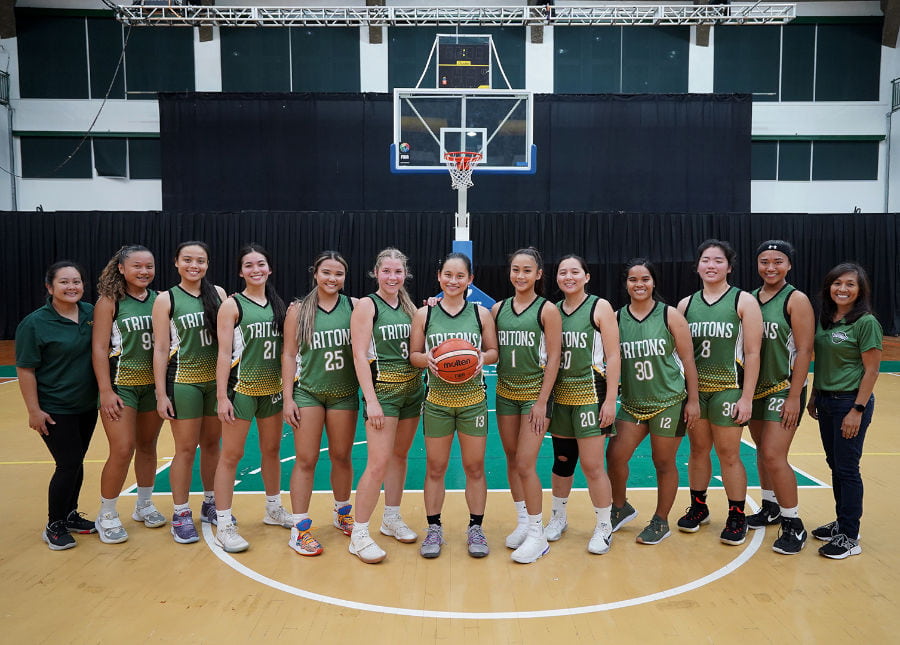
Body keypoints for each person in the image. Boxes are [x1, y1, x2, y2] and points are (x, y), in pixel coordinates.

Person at [410, 253, 499, 559]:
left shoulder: (481, 314)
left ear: (470, 280)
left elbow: (493, 351)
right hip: (437, 402)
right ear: (439, 276)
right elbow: (414, 356)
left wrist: (480, 358)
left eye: (460, 276)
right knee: (436, 467)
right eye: (448, 275)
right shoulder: (425, 315)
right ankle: (434, 528)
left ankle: (476, 528)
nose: (453, 281)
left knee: (474, 467)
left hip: (473, 402)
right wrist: (429, 360)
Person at [606, 259, 700, 545]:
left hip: (668, 400)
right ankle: (620, 507)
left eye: (644, 279)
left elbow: (688, 360)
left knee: (663, 461)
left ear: (653, 282)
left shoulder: (669, 315)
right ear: (626, 284)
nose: (639, 284)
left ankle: (661, 520)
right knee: (614, 456)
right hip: (633, 402)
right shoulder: (616, 318)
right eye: (633, 279)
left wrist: (693, 400)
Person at [676, 239, 762, 546]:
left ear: (729, 266)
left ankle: (737, 514)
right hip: (697, 393)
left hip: (728, 388)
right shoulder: (685, 305)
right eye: (705, 260)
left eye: (718, 260)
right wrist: (686, 395)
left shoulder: (743, 301)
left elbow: (753, 354)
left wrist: (747, 397)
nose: (711, 266)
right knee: (697, 451)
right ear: (697, 265)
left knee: (728, 454)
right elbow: (679, 355)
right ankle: (699, 507)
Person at [212, 244, 290, 553]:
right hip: (241, 389)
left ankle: (273, 508)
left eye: (261, 264)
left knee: (271, 450)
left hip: (271, 390)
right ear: (240, 271)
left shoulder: (278, 304)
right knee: (231, 456)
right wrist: (221, 396)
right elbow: (222, 354)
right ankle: (224, 523)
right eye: (249, 265)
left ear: (269, 269)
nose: (255, 269)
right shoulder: (232, 305)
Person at [348, 248, 423, 563]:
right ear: (376, 273)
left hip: (412, 389)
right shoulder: (368, 305)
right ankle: (359, 533)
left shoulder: (410, 307)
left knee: (399, 457)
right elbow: (360, 355)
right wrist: (372, 400)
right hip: (385, 392)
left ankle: (391, 518)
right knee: (377, 464)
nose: (393, 277)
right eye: (387, 271)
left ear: (405, 274)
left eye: (398, 271)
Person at [16, 261, 99, 550]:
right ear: (50, 287)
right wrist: (34, 410)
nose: (72, 287)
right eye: (64, 282)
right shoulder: (34, 323)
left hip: (86, 405)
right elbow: (25, 369)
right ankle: (54, 524)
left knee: (77, 461)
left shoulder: (91, 313)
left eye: (76, 281)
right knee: (68, 463)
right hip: (54, 408)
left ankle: (70, 514)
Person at [281, 251, 359, 556]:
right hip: (309, 393)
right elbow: (288, 354)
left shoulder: (354, 307)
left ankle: (342, 513)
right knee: (306, 459)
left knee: (341, 456)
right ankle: (299, 528)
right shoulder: (299, 310)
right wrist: (288, 398)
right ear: (316, 273)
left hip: (344, 394)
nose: (332, 279)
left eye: (338, 274)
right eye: (327, 272)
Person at [152, 241, 228, 544]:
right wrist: (161, 394)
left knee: (212, 445)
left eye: (200, 261)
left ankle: (210, 502)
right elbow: (159, 349)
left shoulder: (219, 295)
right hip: (184, 381)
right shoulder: (166, 299)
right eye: (188, 260)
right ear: (176, 262)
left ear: (207, 264)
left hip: (215, 383)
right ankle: (181, 512)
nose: (194, 265)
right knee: (184, 449)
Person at [544, 255, 621, 555]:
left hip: (592, 394)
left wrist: (611, 399)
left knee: (592, 465)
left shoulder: (599, 307)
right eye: (563, 272)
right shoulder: (552, 311)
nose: (568, 277)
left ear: (587, 276)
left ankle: (604, 525)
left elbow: (614, 356)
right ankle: (558, 518)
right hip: (561, 396)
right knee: (562, 462)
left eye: (575, 272)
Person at [92, 245, 166, 544]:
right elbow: (98, 348)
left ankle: (144, 504)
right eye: (137, 266)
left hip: (152, 386)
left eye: (149, 266)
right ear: (121, 268)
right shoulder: (110, 301)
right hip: (121, 387)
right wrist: (105, 390)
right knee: (122, 449)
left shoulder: (161, 300)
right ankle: (107, 513)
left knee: (147, 445)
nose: (144, 271)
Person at [807, 262, 882, 559]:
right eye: (837, 283)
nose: (843, 289)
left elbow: (872, 371)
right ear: (829, 286)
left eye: (850, 284)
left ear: (860, 290)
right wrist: (815, 394)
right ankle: (842, 522)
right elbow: (824, 362)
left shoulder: (865, 322)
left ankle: (850, 536)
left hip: (849, 402)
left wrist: (857, 409)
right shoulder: (825, 319)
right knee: (835, 464)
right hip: (825, 400)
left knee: (848, 469)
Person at [491, 247, 561, 563]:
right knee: (510, 457)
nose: (520, 275)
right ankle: (522, 521)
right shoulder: (498, 309)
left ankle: (537, 533)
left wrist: (542, 401)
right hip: (505, 394)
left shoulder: (547, 310)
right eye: (515, 269)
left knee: (525, 462)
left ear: (538, 274)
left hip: (535, 395)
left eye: (527, 270)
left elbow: (555, 358)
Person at [746, 241, 814, 555]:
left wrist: (795, 396)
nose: (770, 267)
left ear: (789, 265)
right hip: (754, 389)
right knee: (762, 451)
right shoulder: (749, 300)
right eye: (764, 261)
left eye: (777, 261)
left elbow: (804, 350)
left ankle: (793, 523)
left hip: (783, 388)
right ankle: (771, 507)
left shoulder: (795, 299)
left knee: (775, 455)